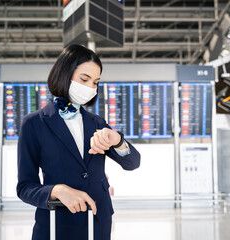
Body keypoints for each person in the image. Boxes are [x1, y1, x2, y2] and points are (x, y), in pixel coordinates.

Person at [16, 44, 141, 240]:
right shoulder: (34, 123)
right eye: (84, 79)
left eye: (95, 82)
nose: (90, 87)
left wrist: (117, 140)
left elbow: (133, 162)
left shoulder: (98, 123)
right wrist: (57, 191)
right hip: (56, 224)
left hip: (98, 223)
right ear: (64, 74)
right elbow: (25, 187)